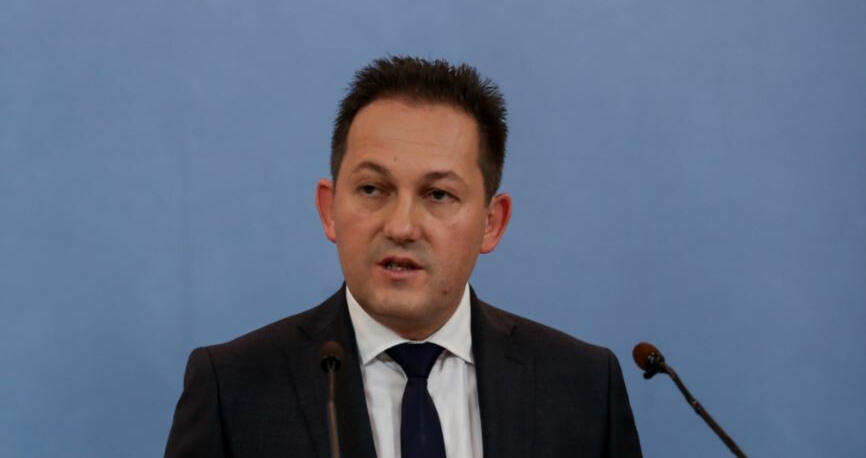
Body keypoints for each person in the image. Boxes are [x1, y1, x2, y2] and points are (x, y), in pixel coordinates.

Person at [165, 56, 642, 458]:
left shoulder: (582, 387)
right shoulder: (234, 389)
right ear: (329, 210)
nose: (401, 227)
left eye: (438, 195)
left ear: (491, 223)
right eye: (373, 189)